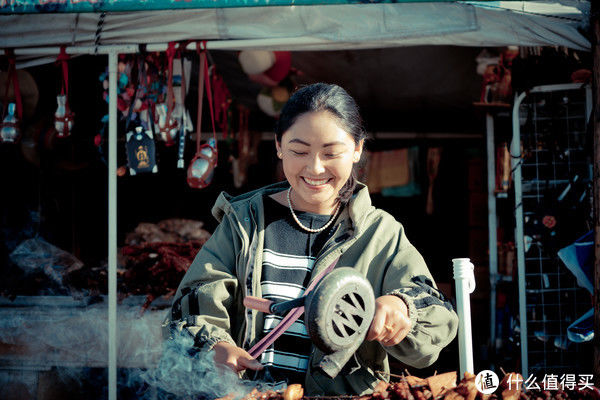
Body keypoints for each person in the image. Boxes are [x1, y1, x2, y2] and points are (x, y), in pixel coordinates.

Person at [163, 83, 458, 395]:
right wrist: (216, 346)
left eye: (331, 153)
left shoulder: (380, 233)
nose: (315, 167)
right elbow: (193, 303)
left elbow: (432, 324)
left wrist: (402, 309)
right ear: (278, 145)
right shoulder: (244, 223)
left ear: (357, 149)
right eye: (299, 151)